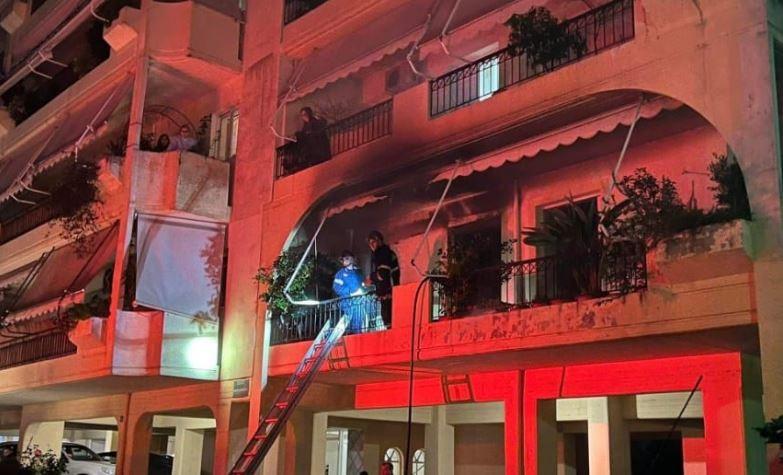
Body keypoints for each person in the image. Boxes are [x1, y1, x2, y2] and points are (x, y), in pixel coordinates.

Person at [367, 231, 400, 328]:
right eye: (370, 243)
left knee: (389, 320)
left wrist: (370, 278)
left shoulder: (383, 253)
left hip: (388, 293)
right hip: (387, 293)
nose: (371, 245)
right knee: (388, 321)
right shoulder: (383, 253)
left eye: (373, 242)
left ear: (379, 241)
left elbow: (383, 274)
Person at [332, 251, 368, 333]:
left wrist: (364, 288)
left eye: (347, 258)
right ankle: (353, 334)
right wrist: (350, 292)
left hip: (360, 300)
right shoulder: (340, 274)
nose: (345, 260)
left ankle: (359, 334)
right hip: (347, 301)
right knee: (353, 319)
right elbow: (336, 288)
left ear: (352, 259)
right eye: (343, 259)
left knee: (362, 319)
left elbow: (363, 284)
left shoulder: (358, 272)